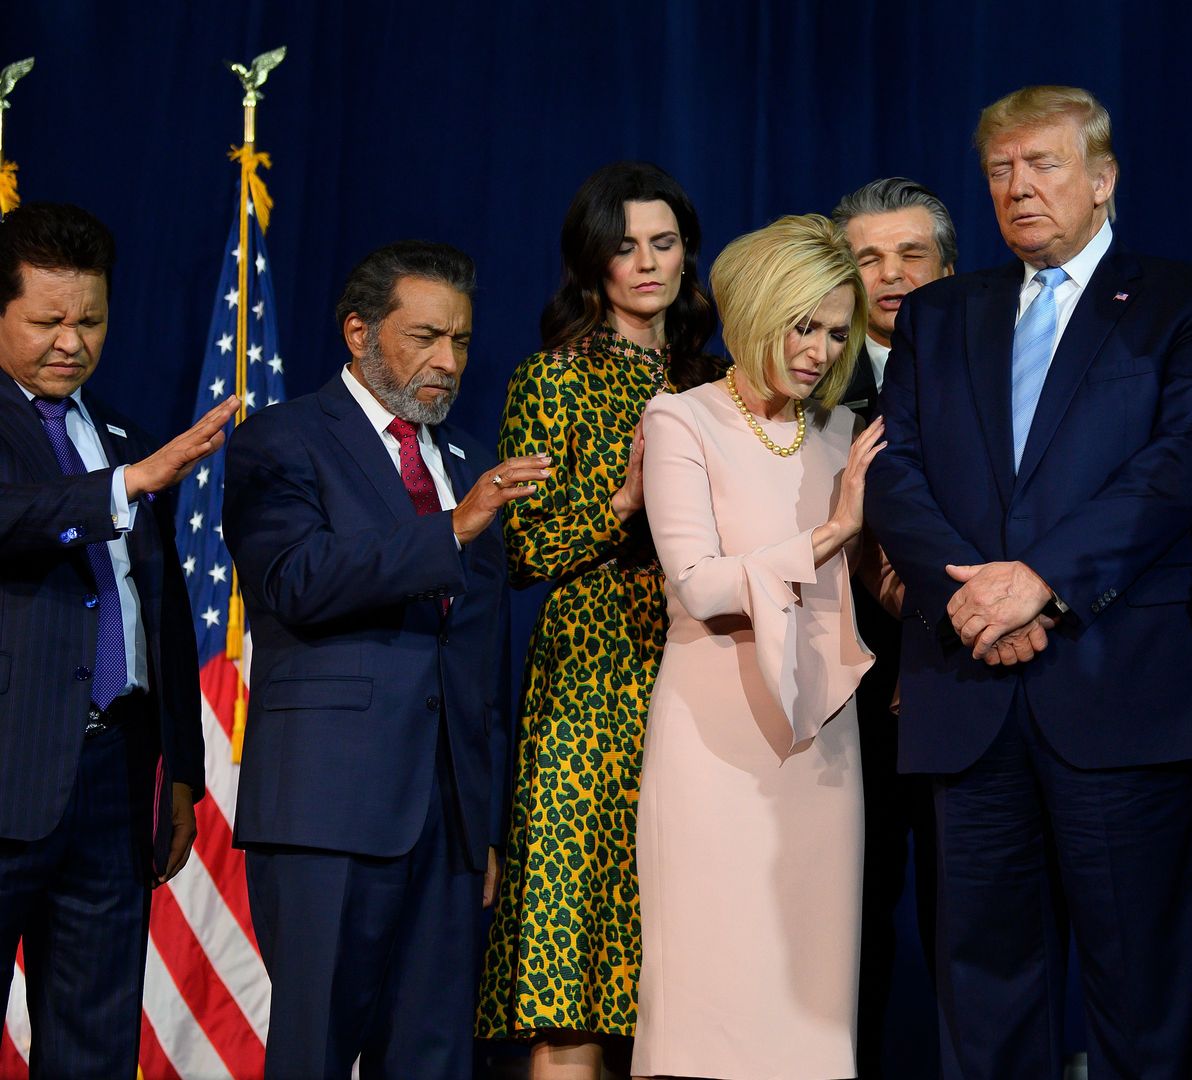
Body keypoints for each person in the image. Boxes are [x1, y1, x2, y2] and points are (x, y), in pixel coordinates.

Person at [865, 85, 1192, 1078]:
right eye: (1001, 170)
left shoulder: (1188, 301)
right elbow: (894, 470)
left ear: (1103, 180)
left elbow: (1177, 467)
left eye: (1044, 165)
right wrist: (971, 598)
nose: (1020, 187)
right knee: (981, 994)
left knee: (1146, 995)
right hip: (969, 688)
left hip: (1120, 684)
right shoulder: (940, 315)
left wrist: (1041, 582)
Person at [225, 241, 537, 1079]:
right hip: (328, 809)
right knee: (315, 1050)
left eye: (462, 341)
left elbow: (480, 661)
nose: (448, 362)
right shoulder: (282, 441)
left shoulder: (468, 459)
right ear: (358, 332)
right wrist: (453, 529)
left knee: (432, 1059)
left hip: (447, 822)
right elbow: (293, 581)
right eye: (425, 337)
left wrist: (485, 823)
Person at [479, 161, 720, 1079]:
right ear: (593, 265)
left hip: (699, 667)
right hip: (588, 679)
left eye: (664, 243)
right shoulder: (553, 378)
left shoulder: (717, 384)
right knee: (571, 976)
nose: (648, 263)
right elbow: (523, 553)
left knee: (681, 972)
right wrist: (622, 503)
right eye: (626, 247)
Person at [631, 213, 886, 1080]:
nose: (819, 351)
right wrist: (833, 532)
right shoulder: (681, 420)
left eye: (837, 333)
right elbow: (701, 583)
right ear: (753, 313)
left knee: (812, 1001)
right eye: (803, 326)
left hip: (823, 741)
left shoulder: (844, 434)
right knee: (709, 996)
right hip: (714, 736)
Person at [0, 202, 237, 1076]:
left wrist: (180, 766)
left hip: (113, 784)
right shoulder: (130, 463)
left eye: (90, 319)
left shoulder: (124, 433)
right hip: (7, 775)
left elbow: (160, 608)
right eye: (47, 320)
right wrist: (125, 486)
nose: (72, 340)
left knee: (95, 1048)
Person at [829, 173, 956, 1076]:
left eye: (912, 254)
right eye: (867, 258)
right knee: (845, 939)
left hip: (964, 683)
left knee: (971, 930)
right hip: (841, 713)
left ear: (948, 265)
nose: (891, 275)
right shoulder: (799, 384)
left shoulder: (1003, 377)